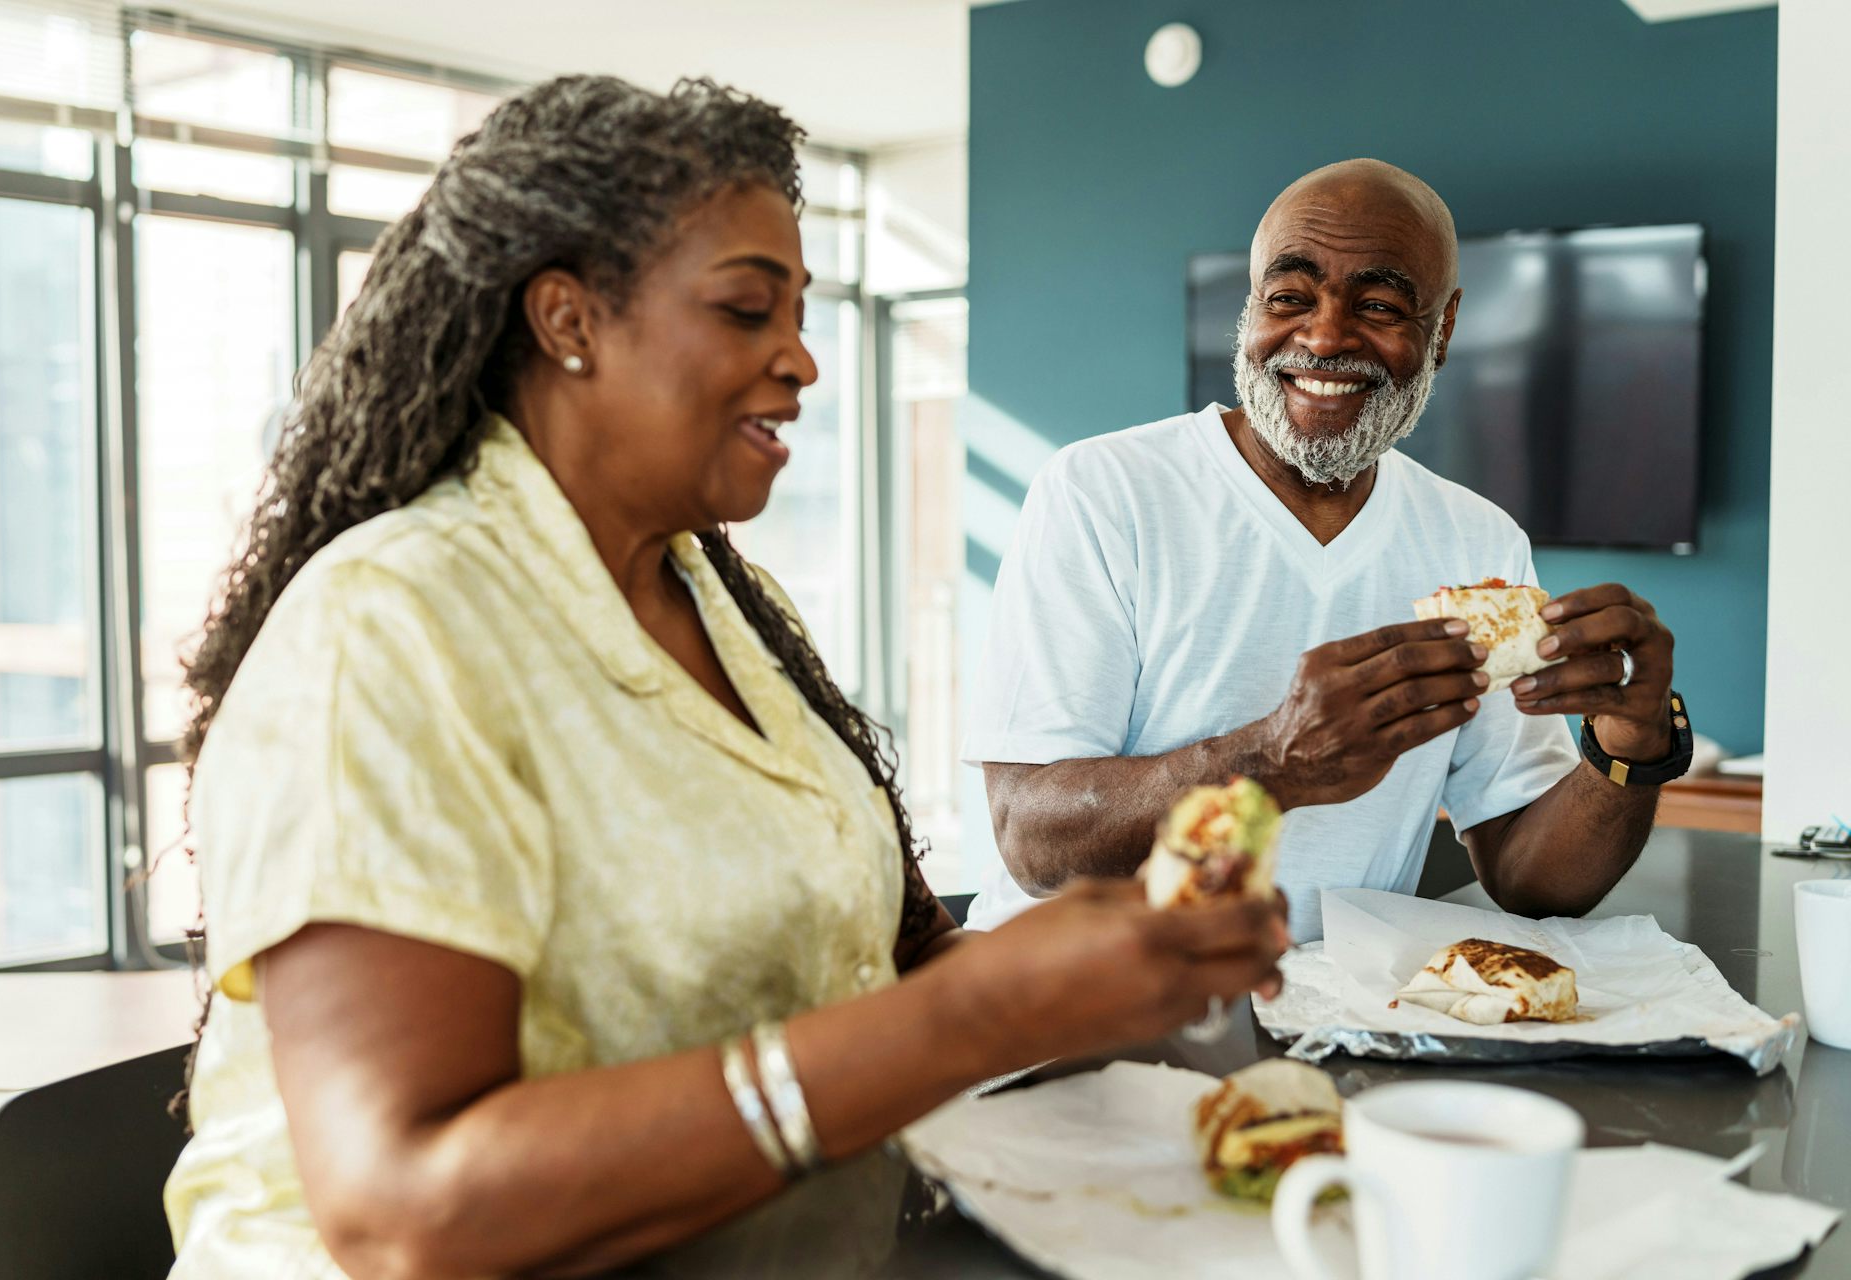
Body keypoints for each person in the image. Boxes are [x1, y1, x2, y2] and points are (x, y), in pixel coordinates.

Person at [160, 75, 1288, 1279]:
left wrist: (1103, 963)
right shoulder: (387, 628)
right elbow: (407, 1210)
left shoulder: (731, 608)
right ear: (568, 320)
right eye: (748, 309)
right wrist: (972, 1014)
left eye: (798, 312)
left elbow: (867, 990)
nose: (801, 360)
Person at [965, 159, 1687, 941]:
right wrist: (1271, 761)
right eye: (1289, 298)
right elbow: (1032, 841)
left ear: (1441, 331)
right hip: (1075, 1019)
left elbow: (1531, 875)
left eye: (1377, 304)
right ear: (1250, 314)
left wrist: (1628, 746)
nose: (1325, 336)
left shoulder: (1478, 541)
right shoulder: (1104, 492)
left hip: (1334, 1024)